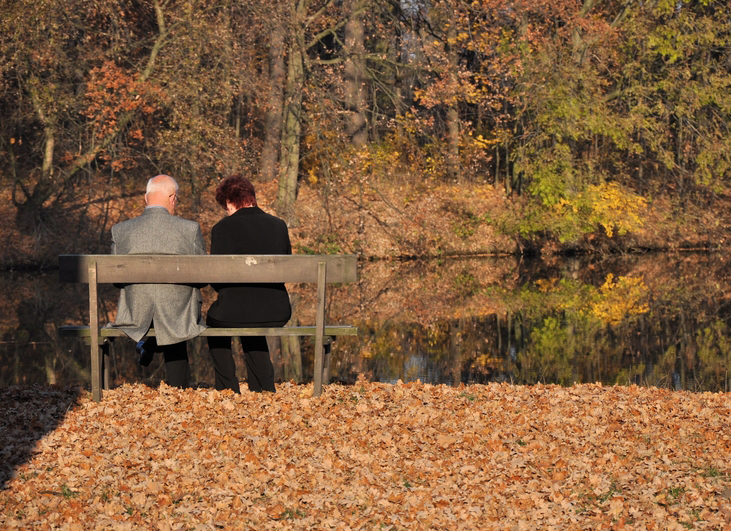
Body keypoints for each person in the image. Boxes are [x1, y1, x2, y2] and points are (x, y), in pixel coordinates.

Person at [110, 174, 206, 388]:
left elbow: (116, 281)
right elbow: (202, 277)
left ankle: (148, 344)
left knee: (160, 307)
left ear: (146, 198)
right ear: (172, 198)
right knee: (174, 309)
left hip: (137, 310)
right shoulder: (189, 229)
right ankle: (179, 386)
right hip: (178, 310)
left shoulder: (121, 231)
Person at [206, 175, 292, 393]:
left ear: (228, 202)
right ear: (252, 198)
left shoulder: (222, 229)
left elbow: (216, 279)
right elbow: (285, 270)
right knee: (253, 317)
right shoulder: (278, 225)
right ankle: (263, 386)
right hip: (276, 310)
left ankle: (227, 387)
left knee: (215, 320)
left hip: (233, 311)